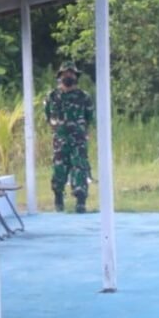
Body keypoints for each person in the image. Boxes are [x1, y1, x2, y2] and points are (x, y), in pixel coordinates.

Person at [44, 61, 94, 212]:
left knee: (80, 168)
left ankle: (80, 201)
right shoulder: (52, 96)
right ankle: (58, 197)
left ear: (76, 76)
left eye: (71, 73)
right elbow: (48, 116)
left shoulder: (84, 97)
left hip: (78, 139)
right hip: (60, 139)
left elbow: (89, 117)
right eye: (66, 73)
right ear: (60, 76)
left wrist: (83, 131)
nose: (69, 76)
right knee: (59, 168)